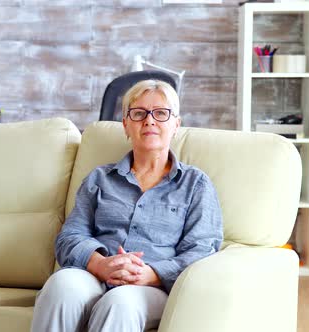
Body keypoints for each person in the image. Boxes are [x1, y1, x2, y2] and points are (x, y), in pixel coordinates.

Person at [30, 79, 224, 332]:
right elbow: (70, 237)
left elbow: (202, 250)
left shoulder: (195, 184)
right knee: (61, 285)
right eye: (139, 113)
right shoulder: (100, 179)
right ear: (125, 125)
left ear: (176, 124)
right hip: (95, 276)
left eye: (161, 113)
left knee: (119, 302)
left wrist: (152, 274)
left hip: (152, 288)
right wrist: (100, 265)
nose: (150, 120)